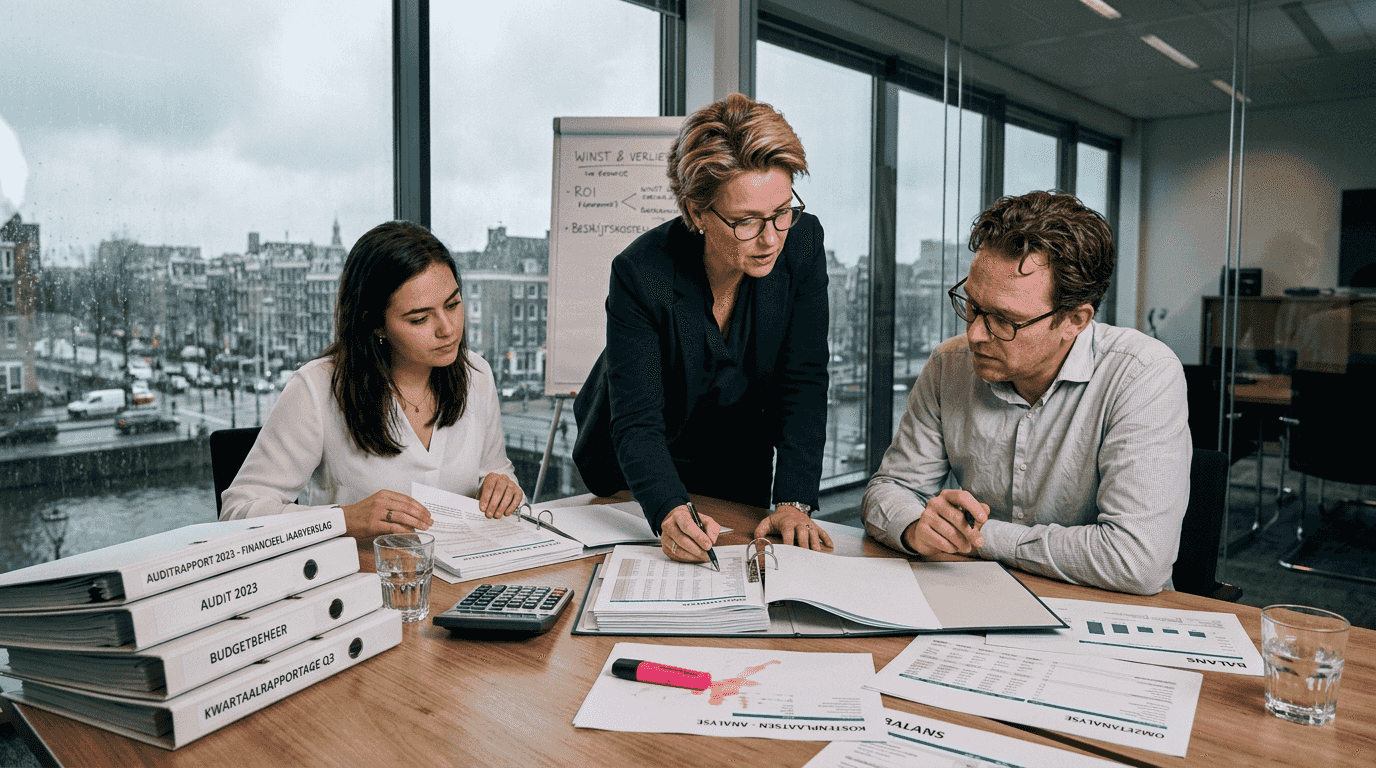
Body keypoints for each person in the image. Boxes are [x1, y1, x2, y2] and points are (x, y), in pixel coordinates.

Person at [862, 191, 1190, 595]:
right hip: (977, 599)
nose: (975, 333)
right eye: (973, 305)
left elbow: (1136, 561)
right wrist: (916, 527)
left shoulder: (1143, 374)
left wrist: (977, 537)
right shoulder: (950, 364)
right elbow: (888, 489)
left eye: (1005, 320)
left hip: (1104, 613)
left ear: (1074, 319)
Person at [573, 93, 834, 564]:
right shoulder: (641, 273)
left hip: (739, 466)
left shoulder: (803, 245)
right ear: (697, 212)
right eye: (746, 221)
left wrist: (794, 500)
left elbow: (804, 381)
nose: (772, 237)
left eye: (781, 211)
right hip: (637, 481)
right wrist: (669, 508)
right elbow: (637, 421)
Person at [220, 220, 523, 538]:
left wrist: (504, 488)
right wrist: (343, 519)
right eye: (419, 318)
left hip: (462, 581)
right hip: (362, 580)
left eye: (453, 304)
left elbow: (498, 474)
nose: (448, 329)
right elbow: (236, 515)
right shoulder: (317, 389)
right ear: (375, 325)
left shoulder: (477, 374)